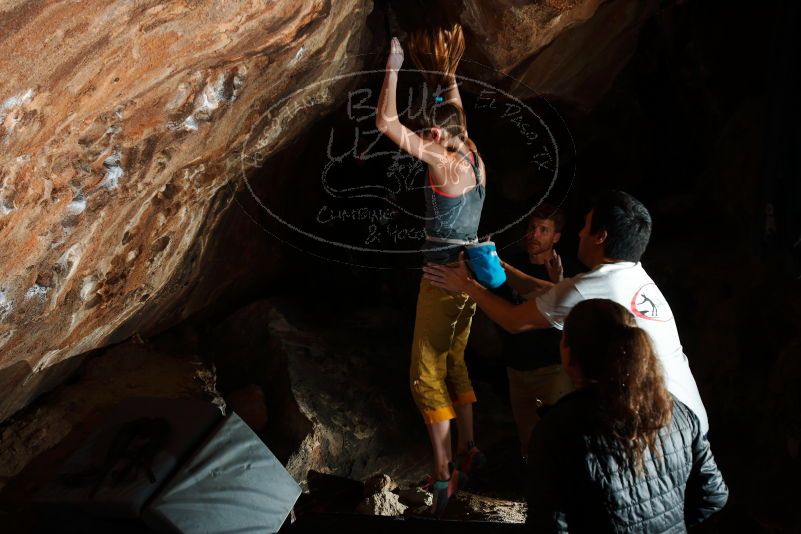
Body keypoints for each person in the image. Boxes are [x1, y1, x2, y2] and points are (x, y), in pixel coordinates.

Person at [423, 190, 710, 434]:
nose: (580, 233)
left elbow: (514, 321)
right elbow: (552, 292)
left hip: (660, 421)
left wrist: (467, 285)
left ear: (601, 236)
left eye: (586, 226)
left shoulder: (588, 287)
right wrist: (500, 266)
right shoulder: (633, 276)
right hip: (689, 414)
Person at [376, 26, 486, 516]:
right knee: (455, 361)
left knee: (424, 375)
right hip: (473, 274)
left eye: (428, 134)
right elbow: (456, 107)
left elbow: (385, 122)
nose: (423, 138)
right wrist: (449, 73)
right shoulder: (473, 152)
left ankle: (443, 473)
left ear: (438, 136)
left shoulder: (442, 160)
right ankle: (470, 446)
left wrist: (394, 69)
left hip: (443, 277)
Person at [526, 298, 728, 532]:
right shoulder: (678, 412)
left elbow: (549, 526)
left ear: (571, 355)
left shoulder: (559, 430)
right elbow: (713, 495)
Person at [493, 204, 575, 460]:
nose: (534, 235)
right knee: (528, 440)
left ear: (556, 237)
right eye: (531, 228)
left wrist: (556, 284)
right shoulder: (513, 265)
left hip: (552, 371)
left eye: (543, 230)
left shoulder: (567, 272)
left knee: (557, 438)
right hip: (516, 370)